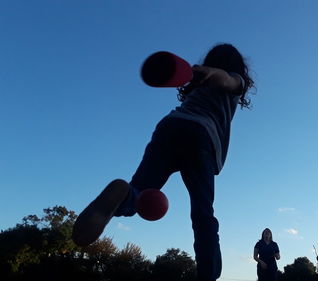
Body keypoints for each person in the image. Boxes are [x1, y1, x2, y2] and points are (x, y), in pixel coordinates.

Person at [71, 43, 254, 281]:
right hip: (200, 138)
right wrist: (212, 73)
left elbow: (215, 76)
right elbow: (227, 80)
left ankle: (124, 194)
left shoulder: (195, 87)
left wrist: (204, 72)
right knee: (202, 212)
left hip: (169, 127)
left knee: (139, 192)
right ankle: (208, 275)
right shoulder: (235, 81)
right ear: (237, 66)